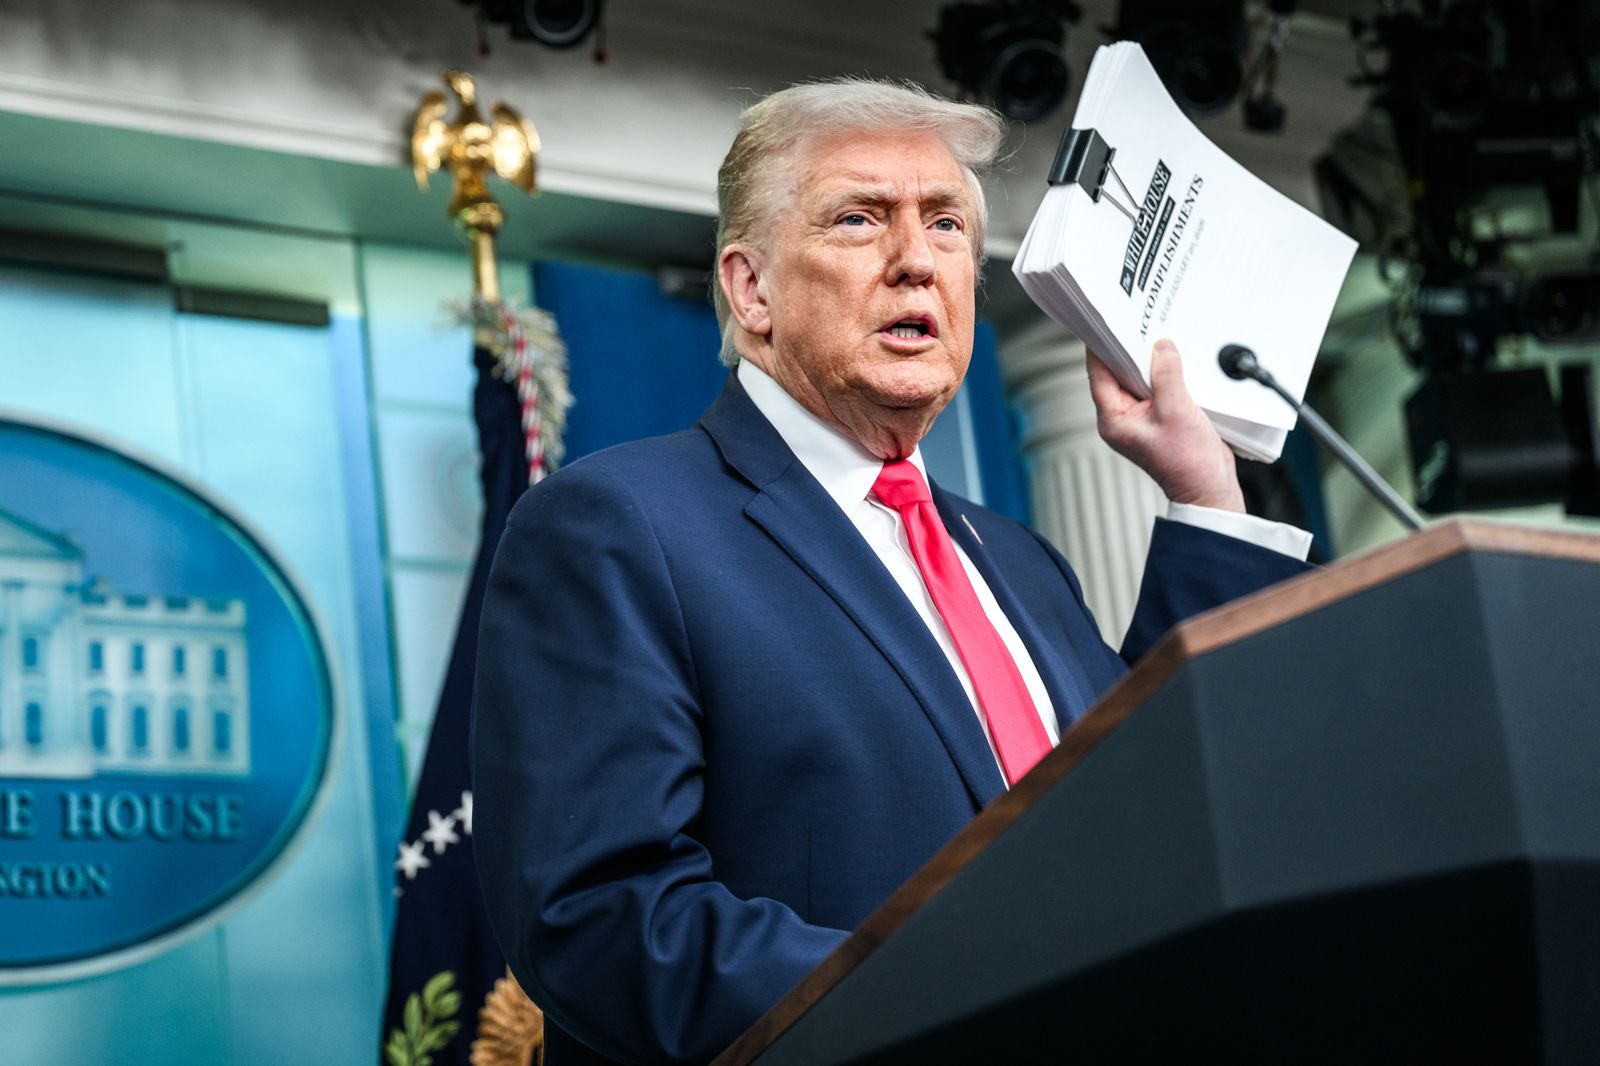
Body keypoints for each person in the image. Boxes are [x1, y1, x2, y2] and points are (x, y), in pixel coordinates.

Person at [473, 78, 1313, 1066]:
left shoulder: (1021, 563)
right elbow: (602, 918)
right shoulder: (618, 525)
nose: (916, 259)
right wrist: (965, 1002)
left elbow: (1157, 802)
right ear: (751, 290)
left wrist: (1203, 492)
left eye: (946, 224)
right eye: (859, 218)